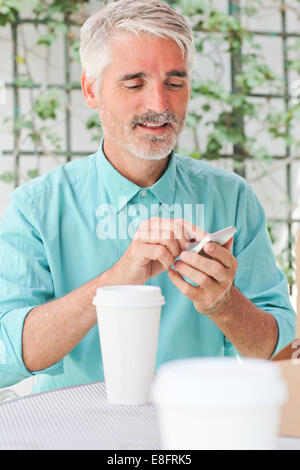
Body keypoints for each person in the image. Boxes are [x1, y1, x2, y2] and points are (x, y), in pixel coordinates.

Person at [0, 0, 295, 394]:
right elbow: (5, 358)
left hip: (197, 432)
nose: (159, 105)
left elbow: (281, 357)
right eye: (134, 83)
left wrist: (224, 305)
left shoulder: (232, 198)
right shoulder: (36, 207)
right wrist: (116, 280)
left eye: (174, 82)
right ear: (91, 89)